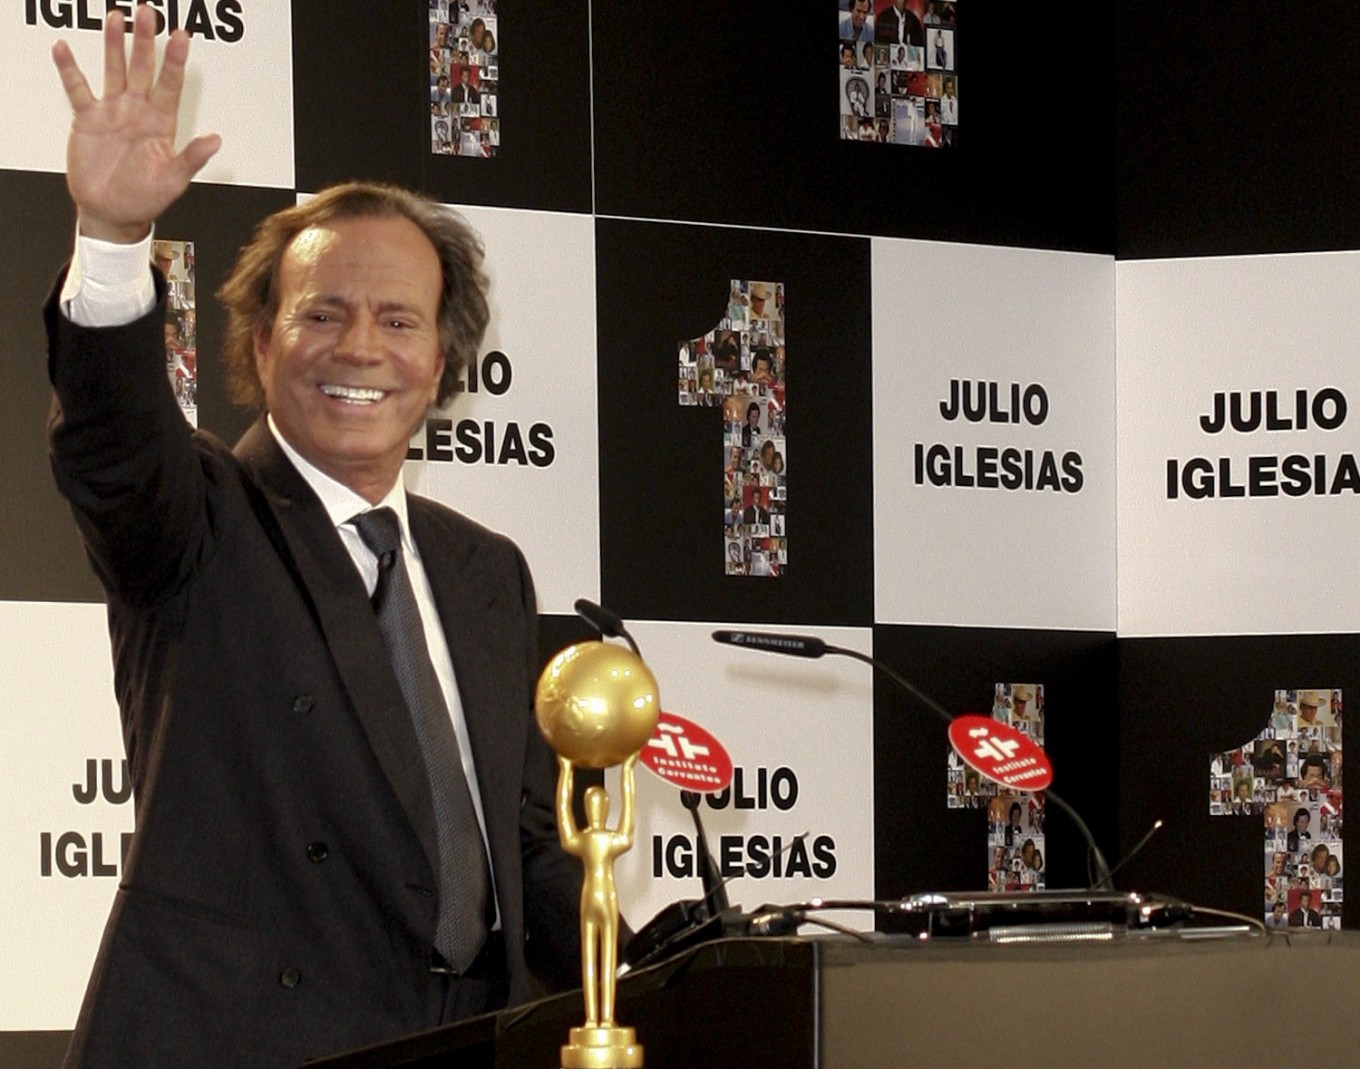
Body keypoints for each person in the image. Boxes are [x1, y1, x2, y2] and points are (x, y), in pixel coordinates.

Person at [46, 9, 581, 1066]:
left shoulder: (487, 570)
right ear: (259, 342)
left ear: (439, 363)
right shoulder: (197, 519)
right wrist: (111, 240)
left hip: (469, 1043)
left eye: (398, 320)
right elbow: (114, 444)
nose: (361, 348)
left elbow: (518, 846)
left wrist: (651, 950)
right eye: (322, 313)